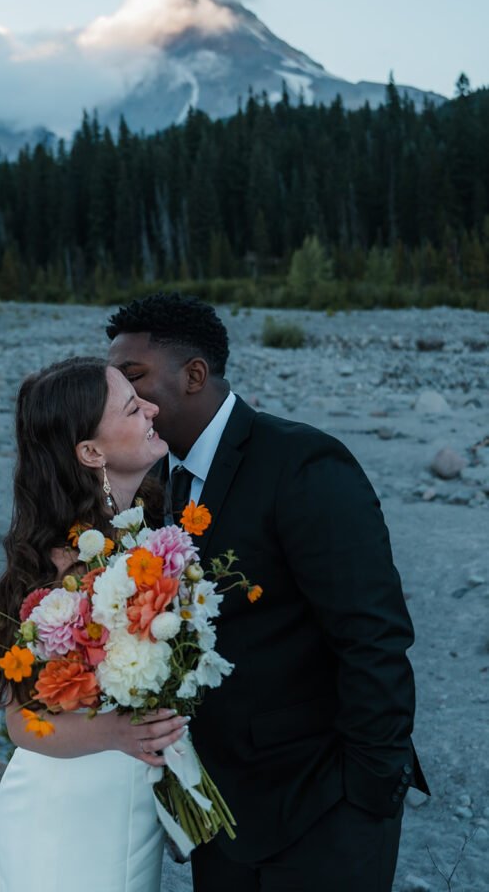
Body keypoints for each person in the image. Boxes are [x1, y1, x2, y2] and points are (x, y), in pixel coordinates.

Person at [106, 294, 429, 892]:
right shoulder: (154, 483)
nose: (125, 402)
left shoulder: (303, 464)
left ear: (195, 375)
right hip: (223, 813)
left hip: (322, 805)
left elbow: (374, 636)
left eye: (134, 380)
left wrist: (369, 794)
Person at [0, 356, 186, 892]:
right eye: (132, 406)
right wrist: (115, 732)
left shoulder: (145, 535)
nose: (152, 408)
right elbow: (19, 723)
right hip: (67, 815)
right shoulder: (59, 572)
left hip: (127, 798)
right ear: (92, 453)